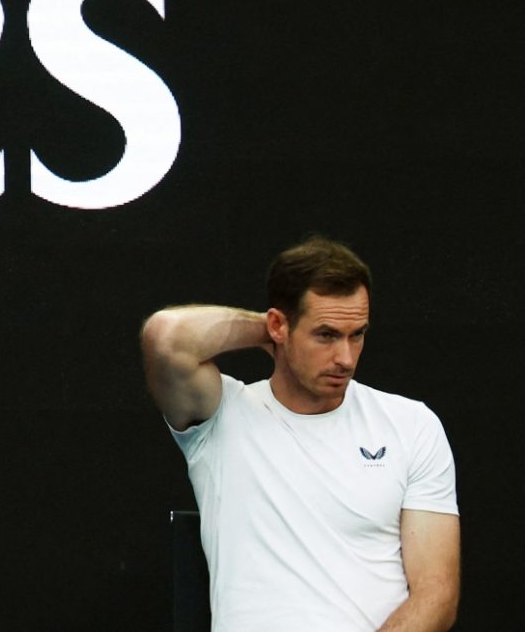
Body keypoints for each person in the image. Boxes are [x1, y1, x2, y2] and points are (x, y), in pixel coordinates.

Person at [140, 237, 459, 631]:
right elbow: (166, 337)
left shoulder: (411, 424)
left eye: (356, 334)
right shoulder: (222, 416)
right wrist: (268, 333)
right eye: (325, 334)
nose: (345, 358)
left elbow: (436, 594)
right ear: (278, 324)